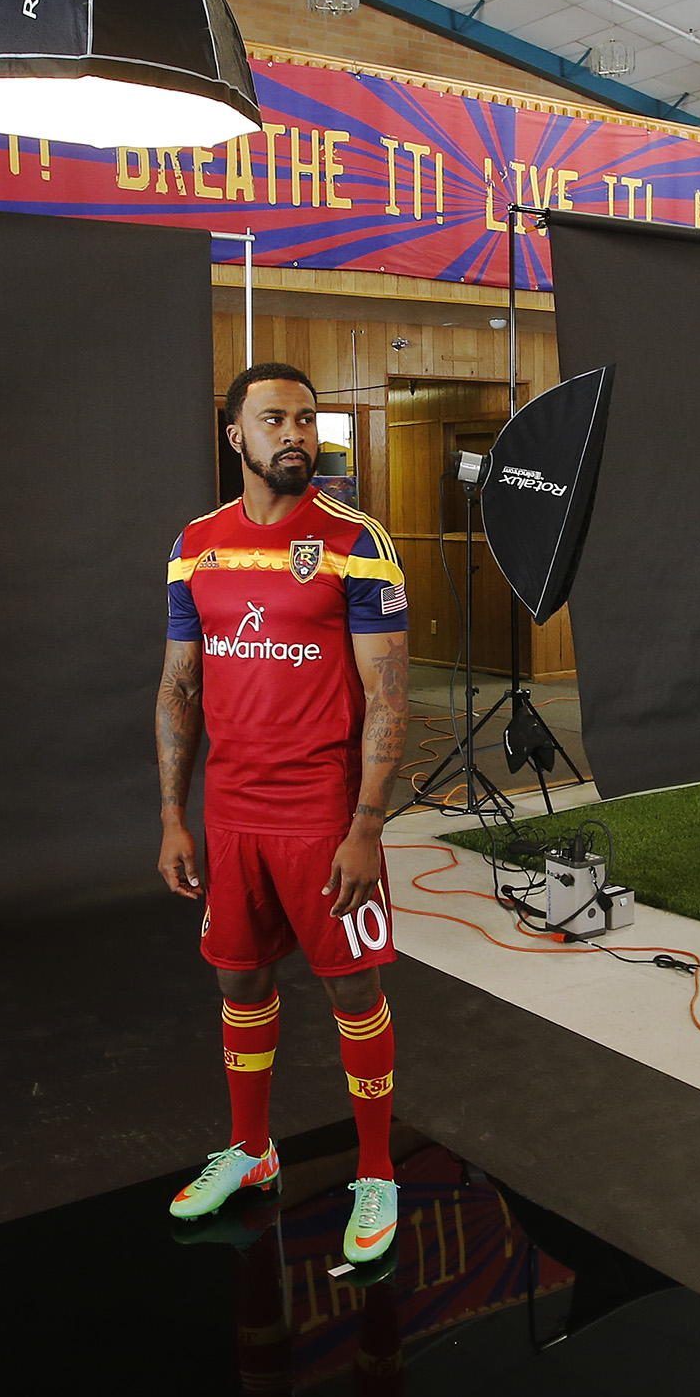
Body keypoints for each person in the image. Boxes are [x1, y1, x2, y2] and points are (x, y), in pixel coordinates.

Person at [157, 362, 413, 1268]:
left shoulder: (358, 542)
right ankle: (253, 1148)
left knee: (353, 988)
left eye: (307, 419)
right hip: (229, 817)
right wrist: (173, 817)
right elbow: (180, 688)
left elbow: (388, 698)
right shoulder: (195, 545)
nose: (297, 434)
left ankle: (376, 1167)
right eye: (275, 420)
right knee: (238, 981)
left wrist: (367, 823)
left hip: (323, 816)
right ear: (237, 437)